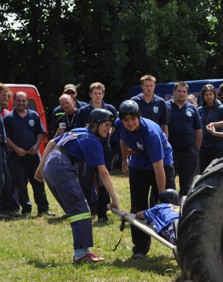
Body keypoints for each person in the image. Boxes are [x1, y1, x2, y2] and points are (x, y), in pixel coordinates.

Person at [34, 109, 120, 263]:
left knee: (78, 211)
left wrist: (41, 168)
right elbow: (104, 173)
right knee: (81, 210)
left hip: (52, 166)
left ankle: (84, 251)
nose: (108, 129)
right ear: (95, 125)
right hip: (62, 167)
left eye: (110, 126)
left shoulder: (79, 130)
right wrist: (115, 200)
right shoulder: (93, 141)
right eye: (105, 125)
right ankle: (81, 254)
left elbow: (53, 143)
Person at [115, 100, 175, 259]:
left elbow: (158, 168)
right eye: (126, 120)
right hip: (138, 165)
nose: (129, 123)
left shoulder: (151, 133)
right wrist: (124, 158)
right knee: (137, 205)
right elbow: (122, 139)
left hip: (161, 165)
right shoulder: (119, 124)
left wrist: (162, 196)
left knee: (167, 206)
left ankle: (177, 243)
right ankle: (140, 248)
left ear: (139, 117)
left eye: (133, 119)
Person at [4, 91, 55, 217]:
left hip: (33, 155)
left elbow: (41, 133)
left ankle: (43, 209)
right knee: (21, 184)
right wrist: (16, 149)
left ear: (27, 102)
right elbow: (6, 138)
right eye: (18, 101)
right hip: (17, 156)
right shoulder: (8, 118)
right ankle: (26, 210)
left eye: (23, 101)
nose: (21, 103)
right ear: (14, 102)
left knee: (38, 181)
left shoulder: (34, 115)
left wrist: (37, 145)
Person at [75, 82, 118, 222]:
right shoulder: (82, 111)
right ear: (90, 95)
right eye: (95, 93)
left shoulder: (110, 109)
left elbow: (116, 126)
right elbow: (79, 131)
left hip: (105, 149)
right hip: (87, 151)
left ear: (103, 94)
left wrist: (108, 132)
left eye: (100, 93)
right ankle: (87, 212)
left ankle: (102, 213)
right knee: (86, 182)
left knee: (103, 182)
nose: (98, 96)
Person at [166, 81, 203, 196]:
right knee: (169, 183)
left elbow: (198, 130)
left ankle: (185, 210)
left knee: (187, 186)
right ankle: (170, 209)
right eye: (179, 91)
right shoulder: (166, 106)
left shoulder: (192, 108)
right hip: (170, 152)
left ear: (187, 93)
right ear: (174, 92)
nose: (181, 94)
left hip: (188, 152)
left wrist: (196, 149)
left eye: (184, 92)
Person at [198, 84, 223, 172]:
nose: (209, 97)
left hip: (217, 147)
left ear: (215, 95)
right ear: (203, 96)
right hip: (203, 147)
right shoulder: (200, 110)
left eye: (211, 94)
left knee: (218, 172)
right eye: (206, 95)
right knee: (204, 173)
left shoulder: (221, 109)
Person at [0, 84, 20, 219]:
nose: (6, 99)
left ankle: (8, 208)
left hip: (3, 150)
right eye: (3, 96)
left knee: (6, 179)